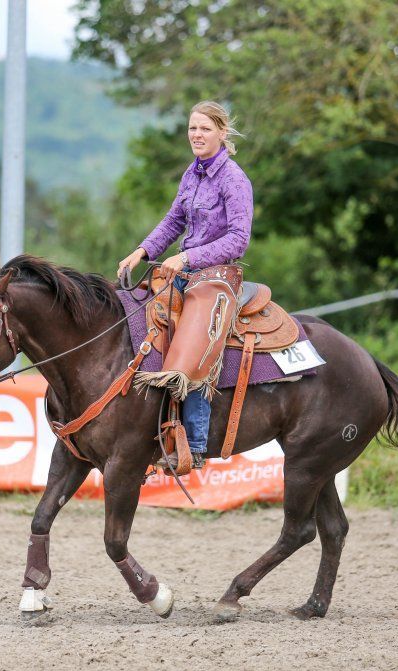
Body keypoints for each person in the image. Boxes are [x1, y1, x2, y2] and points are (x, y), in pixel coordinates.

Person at [117, 100, 253, 468]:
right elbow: (174, 221)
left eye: (205, 128)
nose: (197, 135)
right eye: (192, 128)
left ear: (222, 133)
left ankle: (193, 443)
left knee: (194, 342)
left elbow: (239, 238)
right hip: (184, 272)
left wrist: (188, 258)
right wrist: (143, 251)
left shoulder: (234, 179)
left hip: (218, 275)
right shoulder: (191, 174)